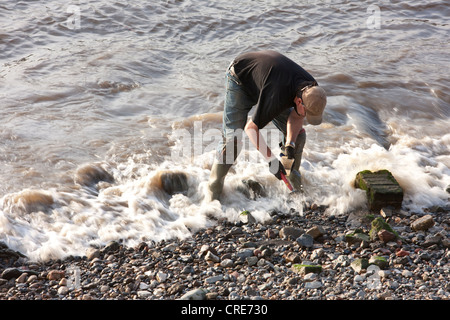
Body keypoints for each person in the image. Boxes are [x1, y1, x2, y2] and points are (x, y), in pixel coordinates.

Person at [208, 50, 327, 201]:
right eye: (307, 113)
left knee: (299, 136)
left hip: (269, 80)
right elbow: (251, 129)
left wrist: (290, 143)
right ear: (299, 101)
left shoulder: (312, 90)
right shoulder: (278, 95)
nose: (306, 116)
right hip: (240, 78)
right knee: (232, 142)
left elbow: (297, 116)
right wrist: (271, 160)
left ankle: (293, 188)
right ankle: (213, 193)